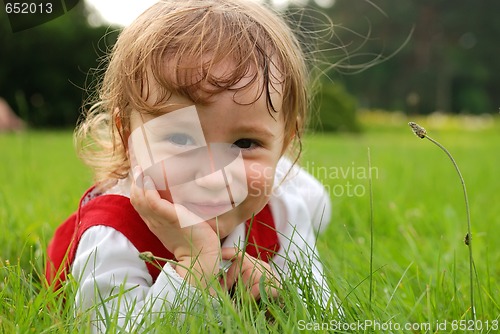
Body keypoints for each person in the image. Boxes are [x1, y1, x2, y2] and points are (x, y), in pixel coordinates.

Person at [45, 0, 334, 330]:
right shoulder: (112, 233)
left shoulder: (283, 209)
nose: (213, 175)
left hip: (283, 185)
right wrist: (195, 266)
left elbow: (328, 317)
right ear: (128, 138)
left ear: (282, 144)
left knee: (309, 199)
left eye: (245, 143)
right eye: (181, 140)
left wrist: (282, 297)